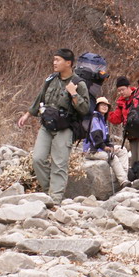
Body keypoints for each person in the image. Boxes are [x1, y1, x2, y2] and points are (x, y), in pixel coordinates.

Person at [17, 48, 90, 204]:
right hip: (47, 125)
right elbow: (40, 97)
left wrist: (74, 94)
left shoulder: (79, 83)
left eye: (58, 60)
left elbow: (85, 109)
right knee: (37, 159)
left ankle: (55, 199)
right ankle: (48, 191)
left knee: (59, 163)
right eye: (54, 59)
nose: (54, 63)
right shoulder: (50, 79)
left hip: (65, 127)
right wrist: (28, 114)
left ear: (68, 63)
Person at [109, 76, 139, 181]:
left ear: (129, 87)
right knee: (134, 160)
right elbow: (116, 119)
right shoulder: (121, 103)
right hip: (132, 134)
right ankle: (135, 181)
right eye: (119, 91)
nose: (121, 92)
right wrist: (105, 112)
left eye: (122, 89)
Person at [83, 96, 130, 189]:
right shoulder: (95, 118)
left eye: (106, 105)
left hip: (100, 148)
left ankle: (124, 178)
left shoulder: (102, 119)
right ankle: (123, 181)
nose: (105, 107)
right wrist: (104, 147)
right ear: (97, 106)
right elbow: (96, 136)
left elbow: (107, 139)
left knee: (122, 150)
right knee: (112, 157)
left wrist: (110, 146)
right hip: (92, 150)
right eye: (102, 105)